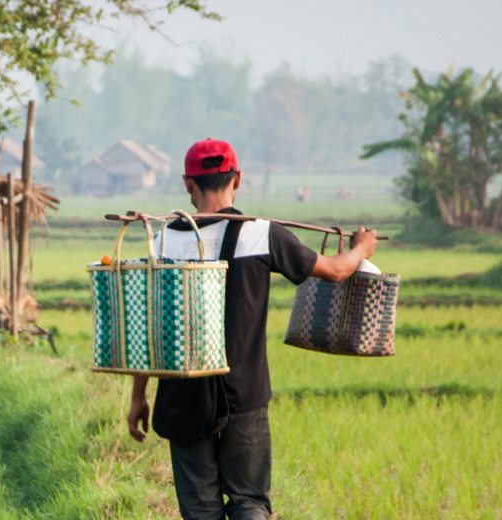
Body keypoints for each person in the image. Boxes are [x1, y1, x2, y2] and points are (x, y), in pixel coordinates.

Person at [125, 138, 377, 520]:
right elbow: (336, 271)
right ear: (237, 179)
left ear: (187, 184)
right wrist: (362, 249)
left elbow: (150, 330)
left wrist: (138, 397)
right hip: (243, 395)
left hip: (182, 396)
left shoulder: (163, 241)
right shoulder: (261, 234)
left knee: (199, 510)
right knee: (250, 503)